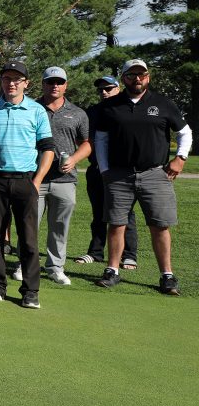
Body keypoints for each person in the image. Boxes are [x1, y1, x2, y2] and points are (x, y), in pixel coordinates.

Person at [94, 59, 191, 295]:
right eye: (132, 75)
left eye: (142, 74)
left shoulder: (163, 103)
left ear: (147, 77)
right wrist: (105, 170)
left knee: (160, 225)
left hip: (155, 173)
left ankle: (166, 275)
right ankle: (112, 270)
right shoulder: (111, 105)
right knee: (116, 224)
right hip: (119, 174)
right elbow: (101, 139)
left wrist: (180, 159)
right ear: (124, 77)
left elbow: (185, 132)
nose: (137, 79)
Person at [0, 60, 54, 309]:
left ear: (26, 83)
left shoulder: (36, 110)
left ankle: (30, 290)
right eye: (6, 79)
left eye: (16, 79)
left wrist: (37, 181)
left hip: (26, 180)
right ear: (1, 82)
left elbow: (47, 149)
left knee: (28, 239)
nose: (11, 83)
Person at [34, 66, 90, 286]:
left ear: (66, 85)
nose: (54, 86)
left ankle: (55, 267)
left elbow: (86, 143)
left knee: (59, 226)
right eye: (50, 82)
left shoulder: (77, 113)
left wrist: (74, 159)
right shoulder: (32, 108)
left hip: (64, 180)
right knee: (30, 224)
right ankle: (23, 264)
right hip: (35, 177)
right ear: (43, 84)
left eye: (59, 82)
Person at [75, 75, 139, 267]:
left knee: (125, 214)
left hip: (122, 170)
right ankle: (95, 252)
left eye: (109, 88)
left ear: (118, 88)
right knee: (98, 212)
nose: (104, 92)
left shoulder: (128, 108)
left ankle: (129, 255)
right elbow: (83, 138)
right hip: (96, 169)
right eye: (101, 89)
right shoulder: (93, 111)